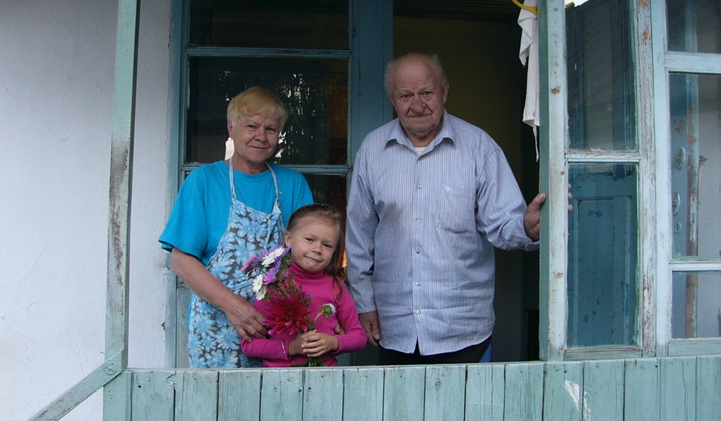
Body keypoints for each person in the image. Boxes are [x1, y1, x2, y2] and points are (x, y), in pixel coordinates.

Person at [346, 53, 546, 365]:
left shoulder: (479, 147)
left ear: (444, 91)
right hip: (393, 327)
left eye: (426, 92)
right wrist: (364, 302)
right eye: (406, 95)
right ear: (392, 99)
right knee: (401, 415)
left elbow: (503, 223)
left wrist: (529, 228)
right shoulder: (372, 150)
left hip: (464, 329)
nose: (417, 104)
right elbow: (359, 236)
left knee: (466, 415)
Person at [160, 87, 313, 368]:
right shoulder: (203, 181)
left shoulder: (293, 184)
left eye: (270, 128)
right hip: (217, 324)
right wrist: (234, 306)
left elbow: (309, 258)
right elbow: (181, 261)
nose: (260, 136)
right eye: (251, 126)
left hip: (278, 327)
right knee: (220, 406)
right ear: (231, 128)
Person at [241, 204, 367, 367]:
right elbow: (249, 345)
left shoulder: (337, 287)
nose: (317, 249)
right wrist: (290, 347)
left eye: (327, 245)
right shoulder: (273, 284)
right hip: (279, 381)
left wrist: (333, 342)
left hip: (324, 377)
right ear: (289, 239)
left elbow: (359, 337)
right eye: (310, 240)